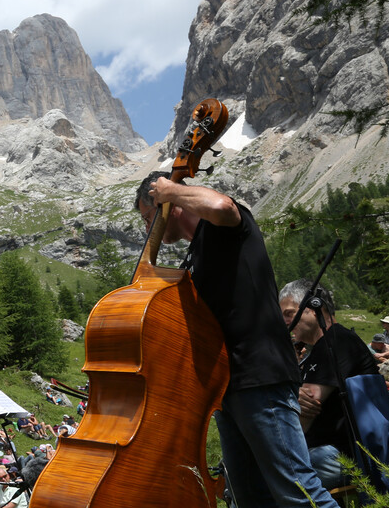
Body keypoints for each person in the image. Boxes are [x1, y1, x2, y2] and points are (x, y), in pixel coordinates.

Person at [136, 172, 336, 507]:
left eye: (148, 217)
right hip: (230, 387)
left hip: (259, 377)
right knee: (251, 498)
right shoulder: (196, 253)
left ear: (167, 204)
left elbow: (221, 205)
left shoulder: (223, 226)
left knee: (299, 493)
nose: (148, 230)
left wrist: (172, 188)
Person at [280, 280, 380, 488]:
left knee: (264, 476)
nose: (284, 321)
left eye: (289, 313)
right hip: (329, 449)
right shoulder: (321, 347)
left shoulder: (335, 340)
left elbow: (301, 418)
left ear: (315, 307)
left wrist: (289, 398)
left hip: (343, 454)